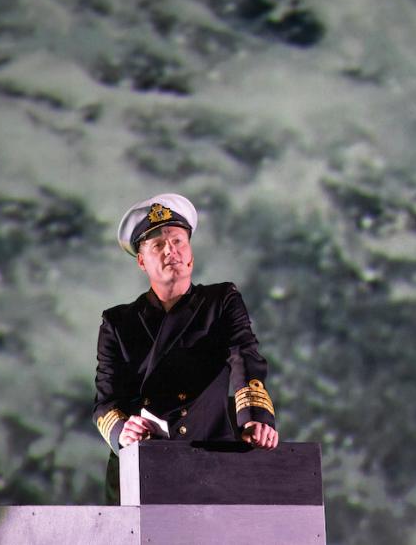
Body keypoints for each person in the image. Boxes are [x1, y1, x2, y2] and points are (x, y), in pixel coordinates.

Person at [93, 193, 279, 500]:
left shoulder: (221, 302)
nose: (171, 251)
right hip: (142, 462)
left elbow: (243, 358)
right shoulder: (117, 322)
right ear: (142, 261)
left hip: (209, 455)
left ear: (190, 254)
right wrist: (122, 432)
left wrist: (255, 419)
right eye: (158, 245)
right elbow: (105, 401)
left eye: (178, 241)